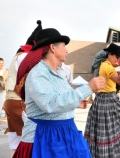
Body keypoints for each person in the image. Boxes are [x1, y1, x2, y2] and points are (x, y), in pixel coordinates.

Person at [12, 28, 106, 158]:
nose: (67, 50)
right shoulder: (38, 74)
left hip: (64, 133)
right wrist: (87, 88)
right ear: (52, 47)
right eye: (64, 46)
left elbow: (60, 98)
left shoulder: (60, 72)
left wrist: (76, 102)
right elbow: (50, 104)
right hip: (42, 138)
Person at [84, 43, 120, 158]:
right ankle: (110, 154)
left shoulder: (104, 65)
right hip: (107, 101)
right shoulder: (107, 66)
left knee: (106, 131)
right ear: (110, 55)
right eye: (116, 57)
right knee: (110, 129)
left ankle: (106, 153)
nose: (117, 59)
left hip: (103, 100)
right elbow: (119, 80)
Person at [4, 21, 42, 157]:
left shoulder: (18, 55)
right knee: (30, 142)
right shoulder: (26, 56)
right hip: (20, 104)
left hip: (11, 103)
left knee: (15, 143)